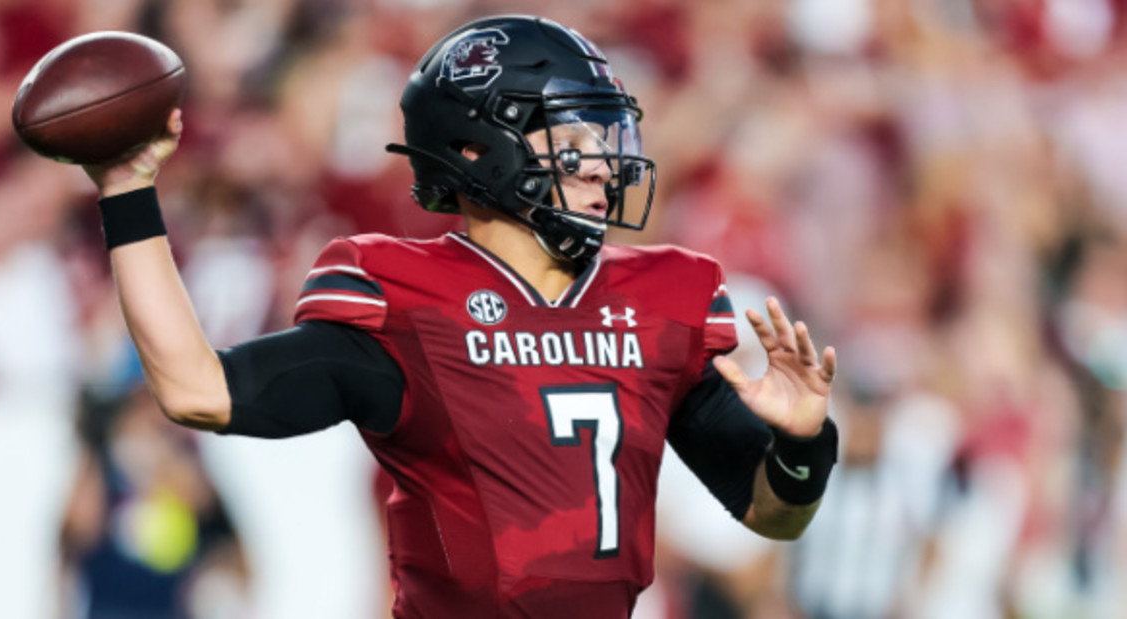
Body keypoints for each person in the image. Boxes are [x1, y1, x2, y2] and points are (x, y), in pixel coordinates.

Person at [78, 15, 839, 619]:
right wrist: (126, 188)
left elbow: (775, 516)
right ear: (480, 151)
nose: (605, 164)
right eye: (572, 143)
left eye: (604, 139)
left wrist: (803, 441)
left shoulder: (658, 299)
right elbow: (196, 388)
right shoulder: (408, 299)